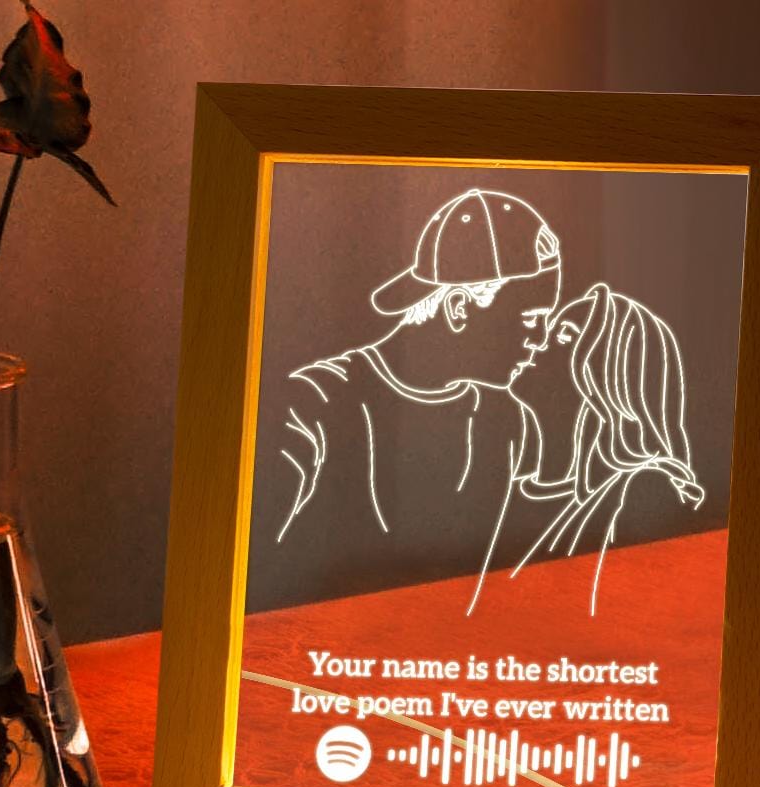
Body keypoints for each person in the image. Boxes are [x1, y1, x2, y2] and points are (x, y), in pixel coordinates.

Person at [274, 188, 703, 616]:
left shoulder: (510, 420)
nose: (540, 339)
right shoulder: (313, 404)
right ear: (459, 307)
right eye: (532, 318)